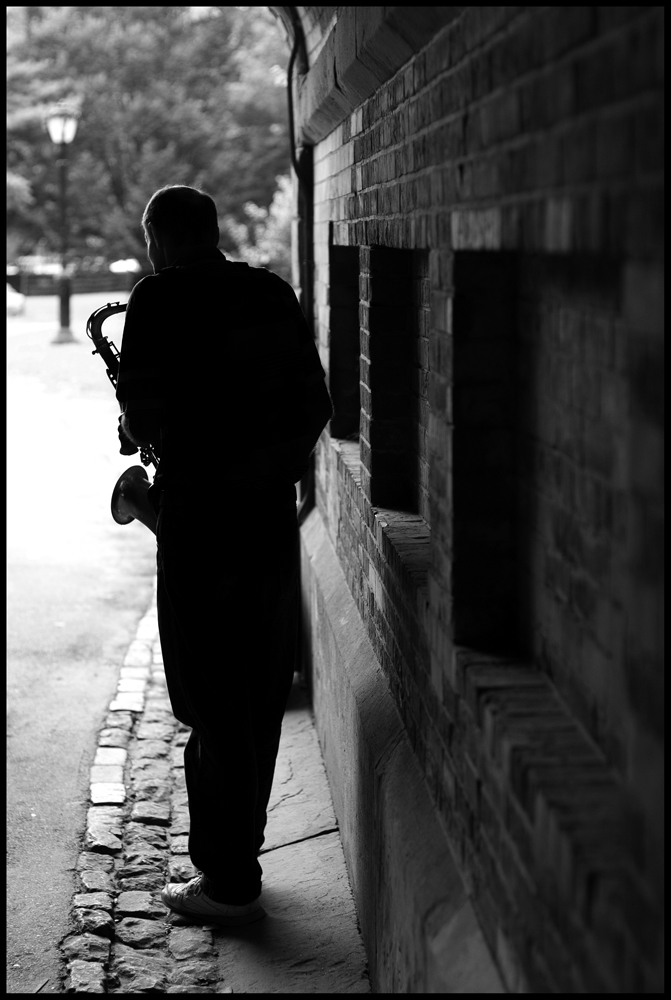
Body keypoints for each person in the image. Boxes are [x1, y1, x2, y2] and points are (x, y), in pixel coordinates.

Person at [116, 184, 333, 925]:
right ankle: (242, 855)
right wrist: (261, 467)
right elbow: (316, 405)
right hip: (267, 516)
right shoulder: (269, 292)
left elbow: (143, 417)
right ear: (212, 232)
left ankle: (228, 879)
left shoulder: (157, 300)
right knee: (257, 687)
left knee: (207, 698)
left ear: (160, 238)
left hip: (198, 521)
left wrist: (142, 432)